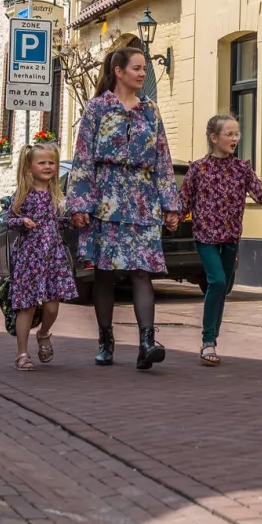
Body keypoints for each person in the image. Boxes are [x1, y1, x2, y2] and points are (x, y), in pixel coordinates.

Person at [67, 47, 181, 370]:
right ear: (119, 71)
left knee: (143, 272)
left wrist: (170, 204)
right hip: (106, 200)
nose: (143, 73)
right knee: (104, 274)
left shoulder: (151, 112)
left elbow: (163, 160)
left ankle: (147, 342)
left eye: (145, 68)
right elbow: (83, 158)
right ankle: (105, 339)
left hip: (143, 202)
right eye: (136, 68)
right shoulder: (97, 109)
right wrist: (79, 203)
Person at [181, 114, 262, 366]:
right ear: (214, 138)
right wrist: (171, 218)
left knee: (222, 289)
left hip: (231, 237)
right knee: (217, 281)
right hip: (205, 237)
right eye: (229, 134)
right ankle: (208, 340)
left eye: (237, 133)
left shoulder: (241, 169)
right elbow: (183, 203)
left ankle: (212, 335)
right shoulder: (198, 169)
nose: (235, 138)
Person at [1, 142, 75, 370]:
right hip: (30, 257)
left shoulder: (56, 194)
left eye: (51, 162)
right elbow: (8, 220)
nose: (47, 166)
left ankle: (43, 334)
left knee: (52, 307)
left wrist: (72, 220)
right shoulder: (24, 193)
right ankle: (21, 353)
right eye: (41, 162)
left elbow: (57, 222)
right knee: (28, 306)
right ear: (30, 165)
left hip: (53, 257)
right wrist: (22, 221)